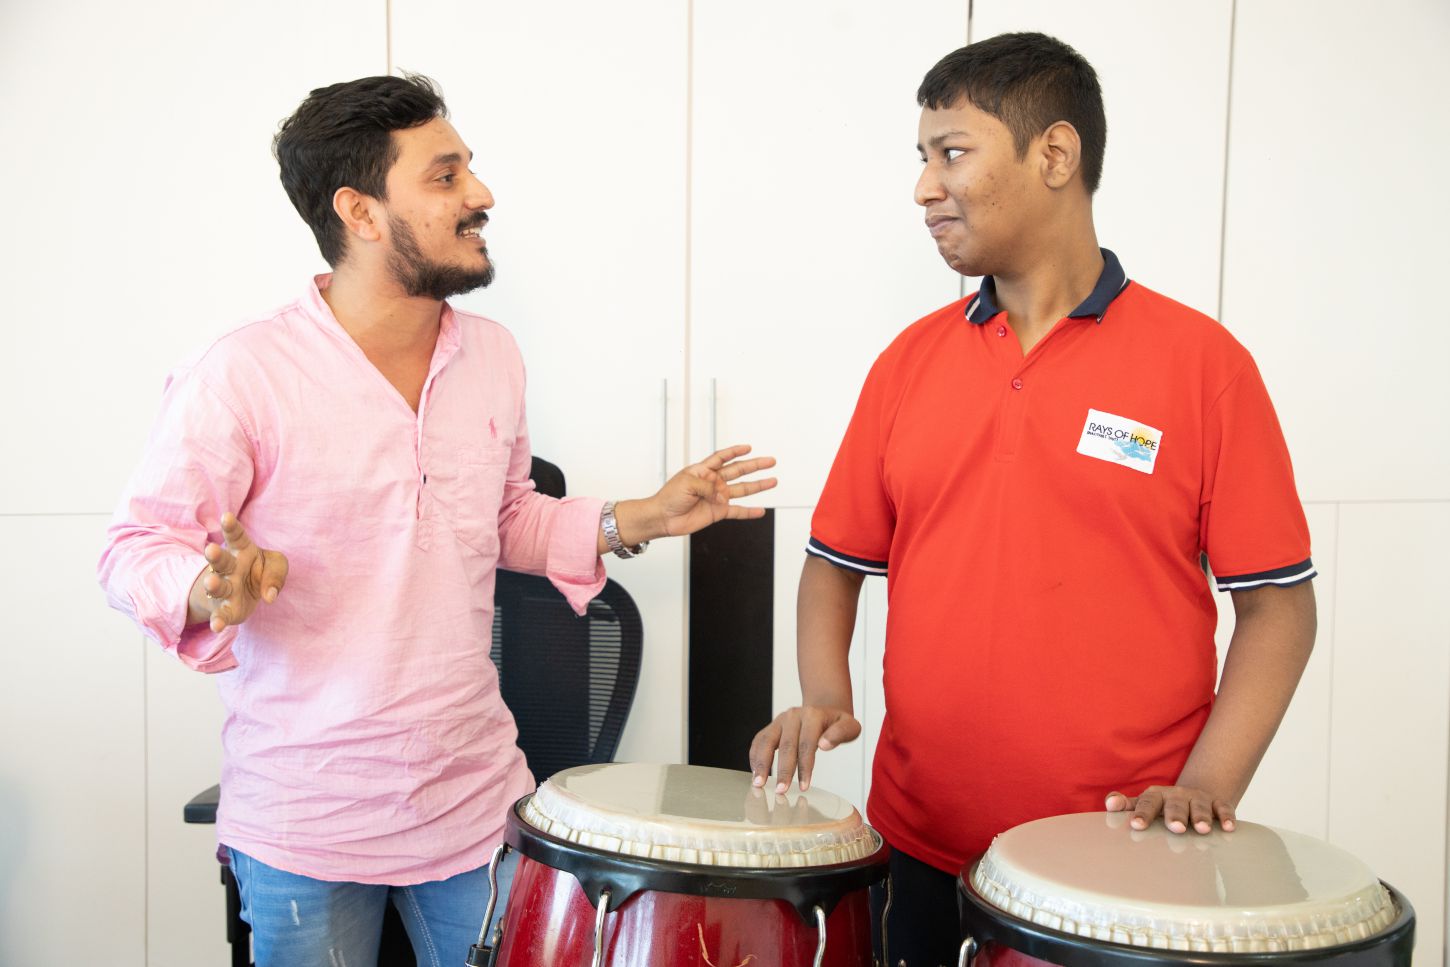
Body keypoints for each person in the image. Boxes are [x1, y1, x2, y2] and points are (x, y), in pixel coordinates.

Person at [97, 73, 776, 967]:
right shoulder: (242, 371)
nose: (480, 195)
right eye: (446, 176)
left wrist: (635, 517)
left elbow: (502, 518)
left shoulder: (491, 355)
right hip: (308, 816)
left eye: (469, 170)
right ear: (361, 212)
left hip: (472, 799)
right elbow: (133, 548)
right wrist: (204, 584)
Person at [748, 33, 1316, 965]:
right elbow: (834, 563)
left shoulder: (1205, 367)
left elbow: (1279, 606)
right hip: (920, 847)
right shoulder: (907, 364)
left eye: (952, 153)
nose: (924, 187)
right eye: (922, 157)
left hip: (1122, 863)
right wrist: (825, 694)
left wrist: (1208, 783)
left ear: (1055, 154)